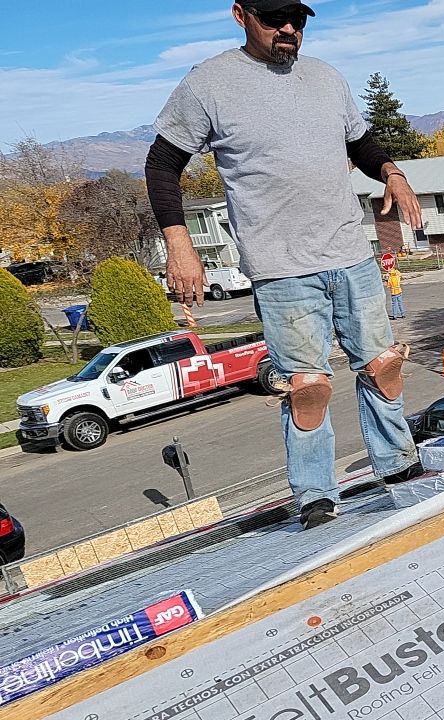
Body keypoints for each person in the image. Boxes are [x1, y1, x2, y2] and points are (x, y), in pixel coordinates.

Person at [144, 0, 424, 529]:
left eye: (298, 18)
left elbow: (359, 142)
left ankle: (399, 466)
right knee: (307, 388)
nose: (289, 29)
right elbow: (162, 164)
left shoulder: (325, 78)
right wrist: (180, 246)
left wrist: (390, 171)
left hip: (350, 254)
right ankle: (316, 495)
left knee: (383, 367)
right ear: (240, 15)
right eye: (274, 19)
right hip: (281, 268)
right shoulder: (209, 84)